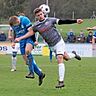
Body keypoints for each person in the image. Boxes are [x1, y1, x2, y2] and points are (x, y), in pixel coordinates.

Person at [14, 8, 83, 88]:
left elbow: (63, 21)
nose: (40, 16)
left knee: (59, 58)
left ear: (43, 13)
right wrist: (20, 38)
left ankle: (61, 81)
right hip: (51, 46)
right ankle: (74, 54)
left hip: (59, 41)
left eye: (41, 14)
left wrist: (75, 21)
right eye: (38, 15)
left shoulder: (51, 20)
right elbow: (30, 33)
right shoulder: (36, 26)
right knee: (66, 57)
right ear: (36, 17)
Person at [8, 15, 45, 86]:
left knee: (27, 51)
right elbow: (14, 33)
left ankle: (31, 73)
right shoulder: (13, 25)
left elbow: (32, 31)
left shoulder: (25, 20)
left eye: (18, 23)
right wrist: (13, 42)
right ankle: (40, 74)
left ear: (18, 20)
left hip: (29, 38)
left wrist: (34, 41)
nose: (17, 25)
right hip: (21, 41)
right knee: (27, 62)